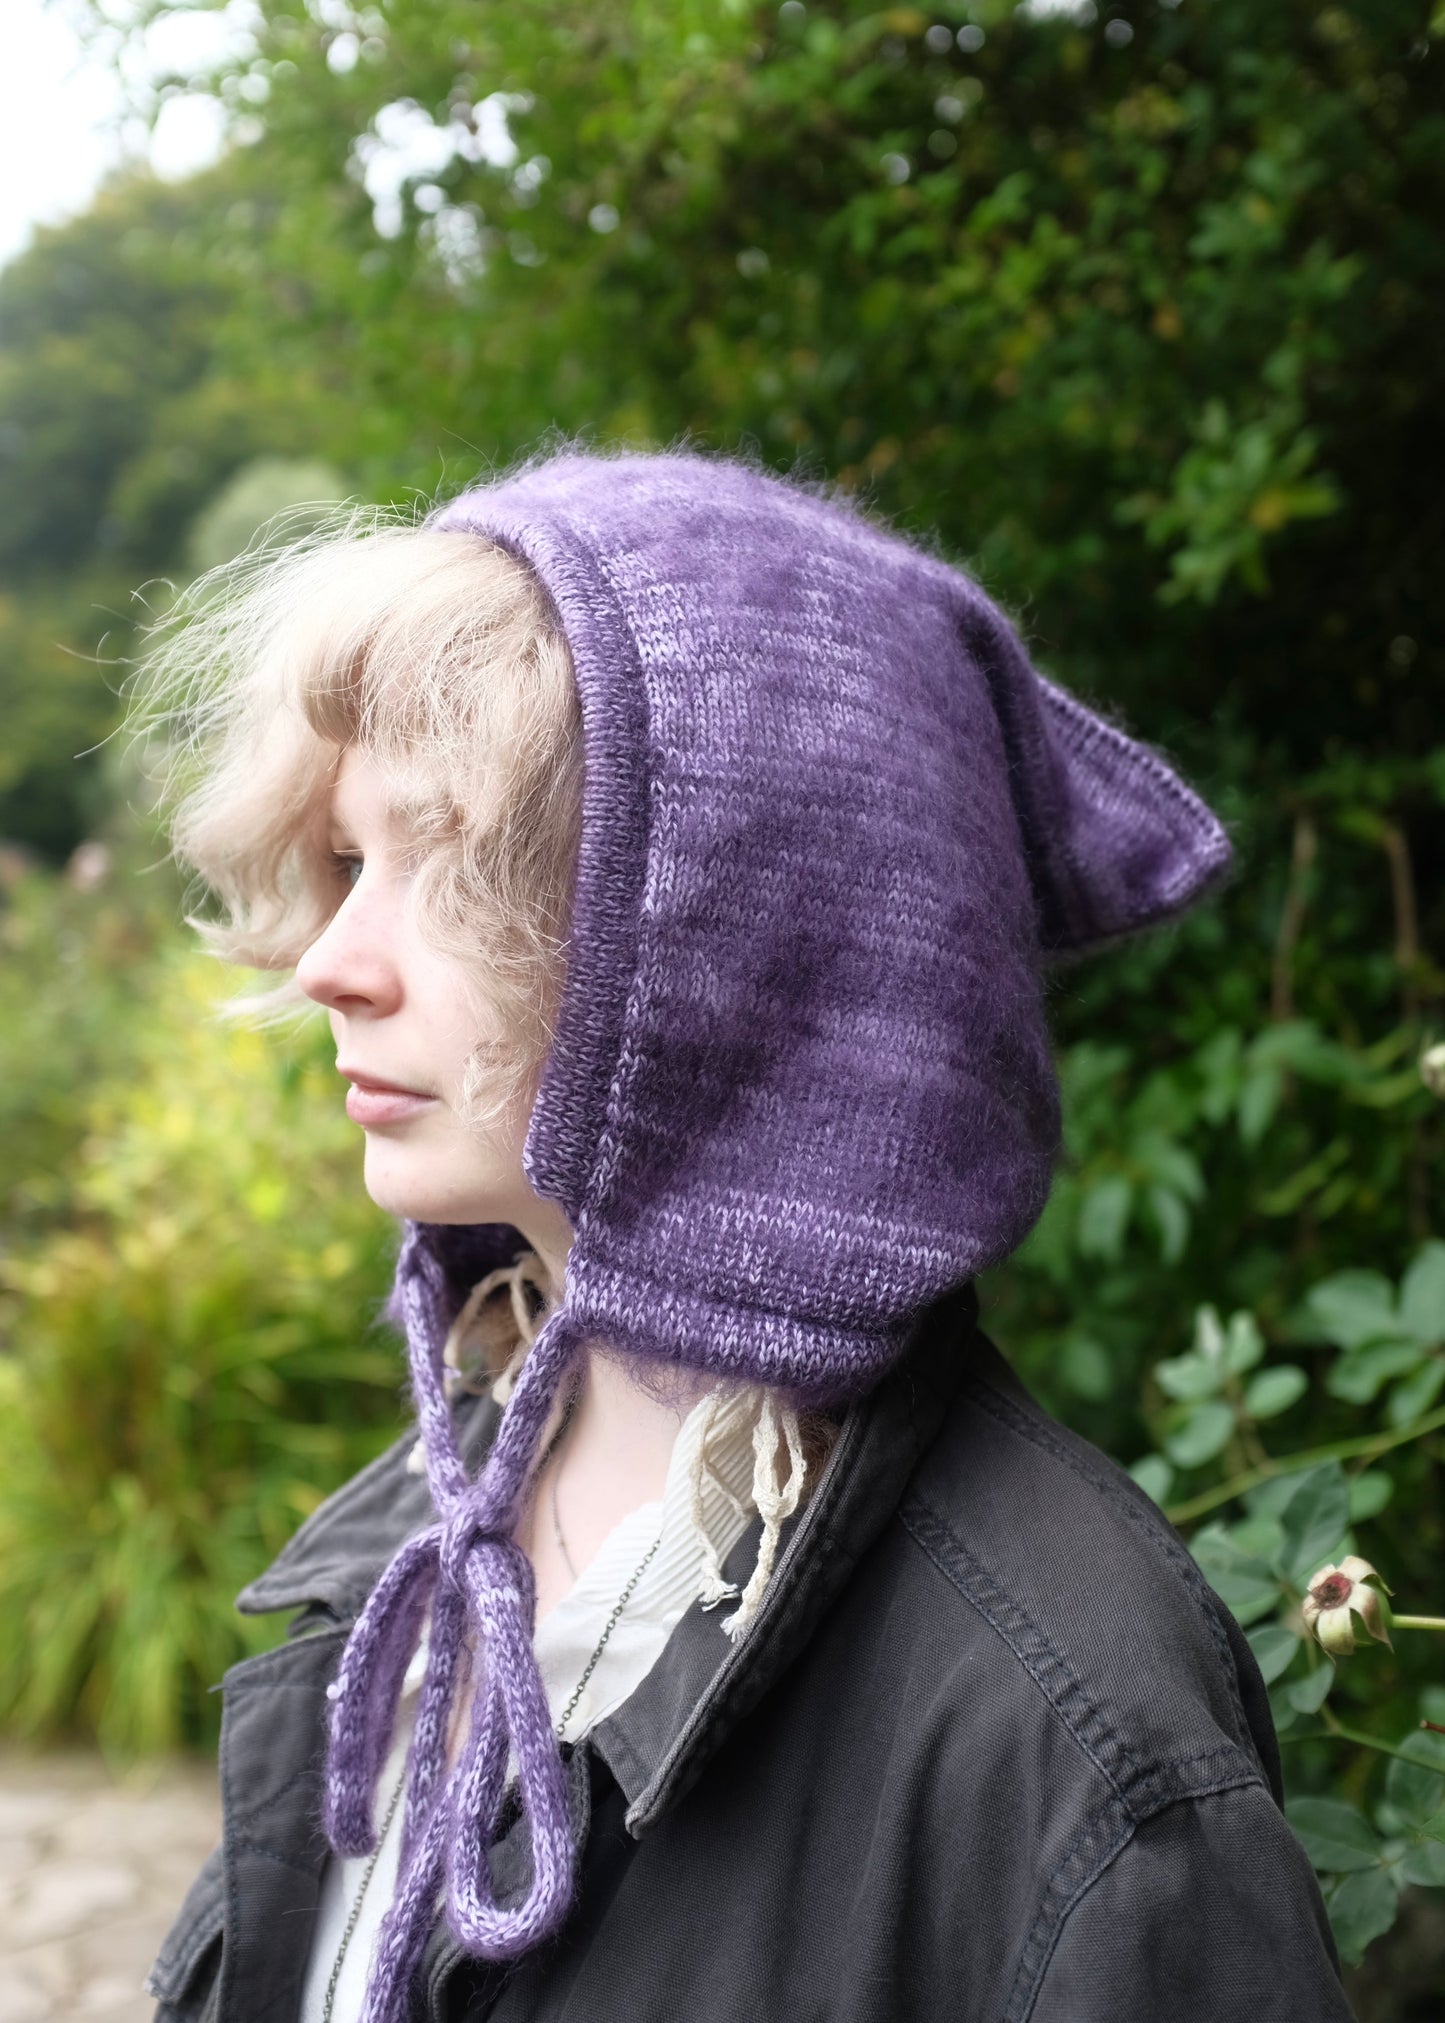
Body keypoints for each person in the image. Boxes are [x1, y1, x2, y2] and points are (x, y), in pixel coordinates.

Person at [135, 445, 1354, 2022]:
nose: (332, 962)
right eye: (351, 862)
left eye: (446, 866)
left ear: (744, 943)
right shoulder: (444, 1529)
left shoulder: (1075, 1754)